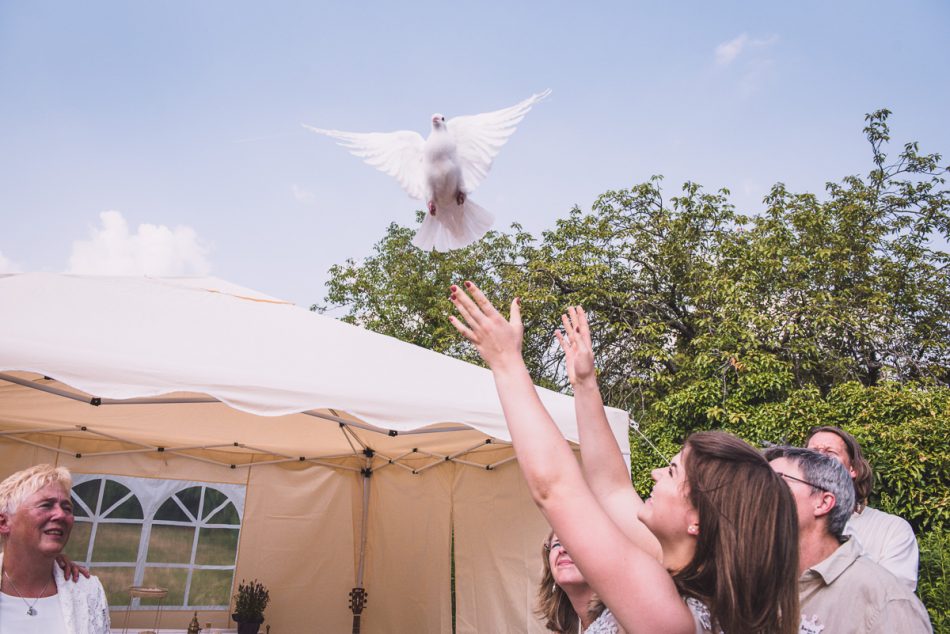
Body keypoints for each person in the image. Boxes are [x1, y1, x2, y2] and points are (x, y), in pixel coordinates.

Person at [449, 285, 800, 634]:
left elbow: (555, 490)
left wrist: (507, 363)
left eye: (673, 471)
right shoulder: (676, 579)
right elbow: (612, 489)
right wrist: (585, 384)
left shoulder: (671, 618)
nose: (656, 471)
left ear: (697, 520)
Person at [765, 446, 932, 633]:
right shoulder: (756, 580)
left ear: (823, 502)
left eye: (777, 480)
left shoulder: (885, 603)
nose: (758, 492)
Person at [805, 425, 920, 590]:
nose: (819, 458)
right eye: (813, 452)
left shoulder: (892, 530)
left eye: (830, 452)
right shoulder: (788, 523)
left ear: (853, 469)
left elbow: (893, 597)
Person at [0, 464, 111, 633]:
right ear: (4, 523)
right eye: (46, 505)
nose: (61, 515)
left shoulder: (87, 591)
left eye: (67, 508)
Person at [538, 531, 622, 633]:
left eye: (574, 543)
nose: (562, 549)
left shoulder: (623, 617)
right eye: (556, 544)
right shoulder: (568, 626)